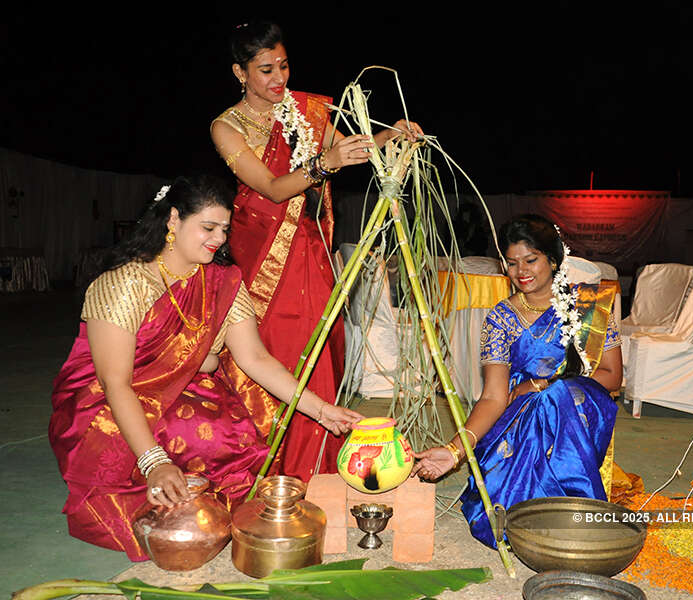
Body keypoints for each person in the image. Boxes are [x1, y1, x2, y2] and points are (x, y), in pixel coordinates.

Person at [49, 176, 362, 560]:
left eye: (224, 230)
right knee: (185, 440)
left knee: (234, 434)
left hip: (185, 389)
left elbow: (255, 359)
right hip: (108, 402)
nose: (218, 238)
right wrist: (155, 463)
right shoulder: (125, 283)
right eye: (208, 227)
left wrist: (323, 411)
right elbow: (115, 384)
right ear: (173, 220)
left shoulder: (221, 281)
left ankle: (201, 501)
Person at [210, 21, 422, 481]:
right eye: (265, 69)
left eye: (283, 65)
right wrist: (325, 163)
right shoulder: (226, 127)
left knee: (316, 349)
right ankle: (263, 465)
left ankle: (315, 466)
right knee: (270, 347)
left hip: (310, 245)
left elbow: (347, 150)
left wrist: (390, 137)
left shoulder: (308, 108)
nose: (278, 78)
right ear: (239, 72)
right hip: (261, 252)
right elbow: (269, 186)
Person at [411, 215, 623, 548]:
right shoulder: (500, 317)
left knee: (560, 396)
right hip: (519, 414)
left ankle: (574, 505)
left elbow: (612, 377)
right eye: (511, 263)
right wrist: (455, 451)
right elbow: (494, 397)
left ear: (553, 260)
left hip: (582, 408)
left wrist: (545, 385)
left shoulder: (588, 307)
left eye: (531, 260)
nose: (521, 271)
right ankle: (547, 513)